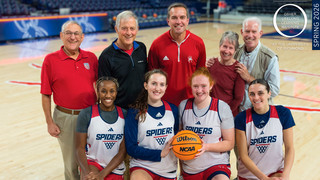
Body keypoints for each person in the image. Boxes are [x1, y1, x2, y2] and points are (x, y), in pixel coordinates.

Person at [41, 20, 98, 179]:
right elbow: (46, 94)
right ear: (61, 36)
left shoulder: (91, 58)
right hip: (66, 118)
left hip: (91, 116)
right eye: (68, 33)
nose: (72, 37)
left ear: (82, 37)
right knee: (72, 163)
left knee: (92, 161)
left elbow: (100, 87)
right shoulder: (51, 60)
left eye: (76, 34)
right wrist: (49, 122)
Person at [179, 67, 234, 180]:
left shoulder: (222, 107)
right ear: (191, 86)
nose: (199, 90)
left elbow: (229, 143)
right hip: (190, 168)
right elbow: (179, 139)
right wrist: (181, 171)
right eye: (195, 86)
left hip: (216, 165)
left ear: (211, 85)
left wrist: (206, 147)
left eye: (203, 86)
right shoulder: (183, 106)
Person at [148, 2, 206, 106]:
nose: (178, 21)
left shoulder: (198, 43)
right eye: (174, 17)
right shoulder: (157, 45)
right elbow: (152, 76)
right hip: (164, 103)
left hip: (191, 102)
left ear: (187, 20)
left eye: (182, 17)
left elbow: (201, 74)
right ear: (168, 21)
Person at [235, 79, 295, 180]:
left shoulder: (283, 113)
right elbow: (243, 156)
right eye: (252, 94)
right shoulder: (241, 118)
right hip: (248, 175)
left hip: (276, 173)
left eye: (260, 93)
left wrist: (285, 175)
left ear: (269, 94)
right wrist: (264, 178)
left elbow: (290, 148)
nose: (256, 97)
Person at [125, 69, 179, 179]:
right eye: (153, 83)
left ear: (166, 87)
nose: (157, 88)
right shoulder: (135, 112)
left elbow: (177, 139)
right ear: (146, 85)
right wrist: (159, 153)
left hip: (168, 169)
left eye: (161, 84)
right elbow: (131, 148)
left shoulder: (173, 110)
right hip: (143, 167)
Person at [75, 77, 127, 180]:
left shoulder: (125, 115)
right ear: (97, 92)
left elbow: (123, 151)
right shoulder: (86, 114)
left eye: (112, 91)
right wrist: (87, 173)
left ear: (116, 92)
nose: (108, 95)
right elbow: (79, 148)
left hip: (115, 167)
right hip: (93, 164)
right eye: (103, 91)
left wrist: (102, 175)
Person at [98, 10, 148, 109]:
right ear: (117, 29)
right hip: (120, 111)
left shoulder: (141, 48)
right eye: (124, 28)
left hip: (143, 108)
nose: (129, 33)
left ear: (137, 29)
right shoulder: (106, 56)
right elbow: (104, 90)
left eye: (132, 28)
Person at [234, 17, 280, 112]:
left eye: (254, 31)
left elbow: (274, 90)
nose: (250, 35)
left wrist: (249, 78)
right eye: (247, 31)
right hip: (238, 112)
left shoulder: (270, 58)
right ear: (242, 32)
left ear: (260, 33)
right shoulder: (236, 52)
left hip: (259, 113)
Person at [208, 31, 245, 117]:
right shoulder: (211, 64)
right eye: (224, 46)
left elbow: (238, 98)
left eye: (231, 48)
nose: (227, 51)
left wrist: (225, 112)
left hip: (229, 114)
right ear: (219, 46)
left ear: (235, 51)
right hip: (211, 112)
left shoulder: (238, 69)